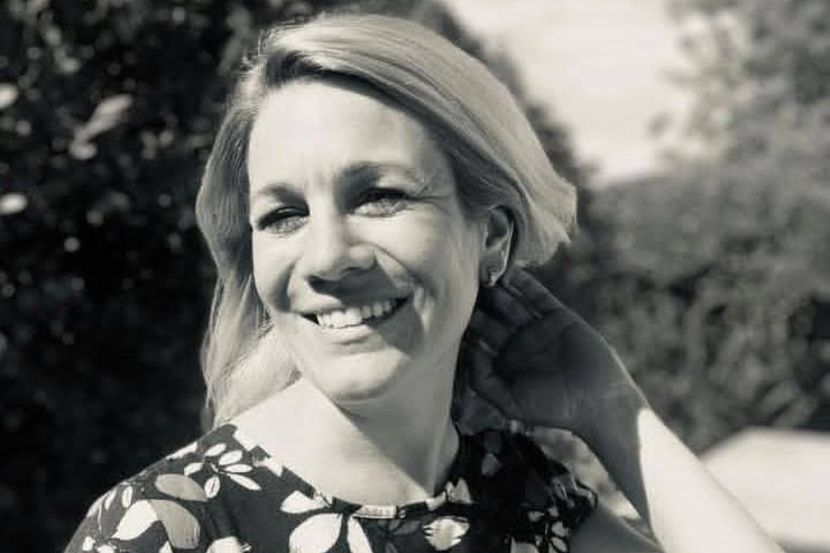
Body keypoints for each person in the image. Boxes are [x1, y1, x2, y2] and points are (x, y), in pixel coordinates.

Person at [65, 13, 784, 553]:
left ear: (491, 237)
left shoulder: (532, 506)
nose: (327, 258)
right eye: (284, 214)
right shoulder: (163, 530)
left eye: (379, 196)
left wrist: (614, 412)